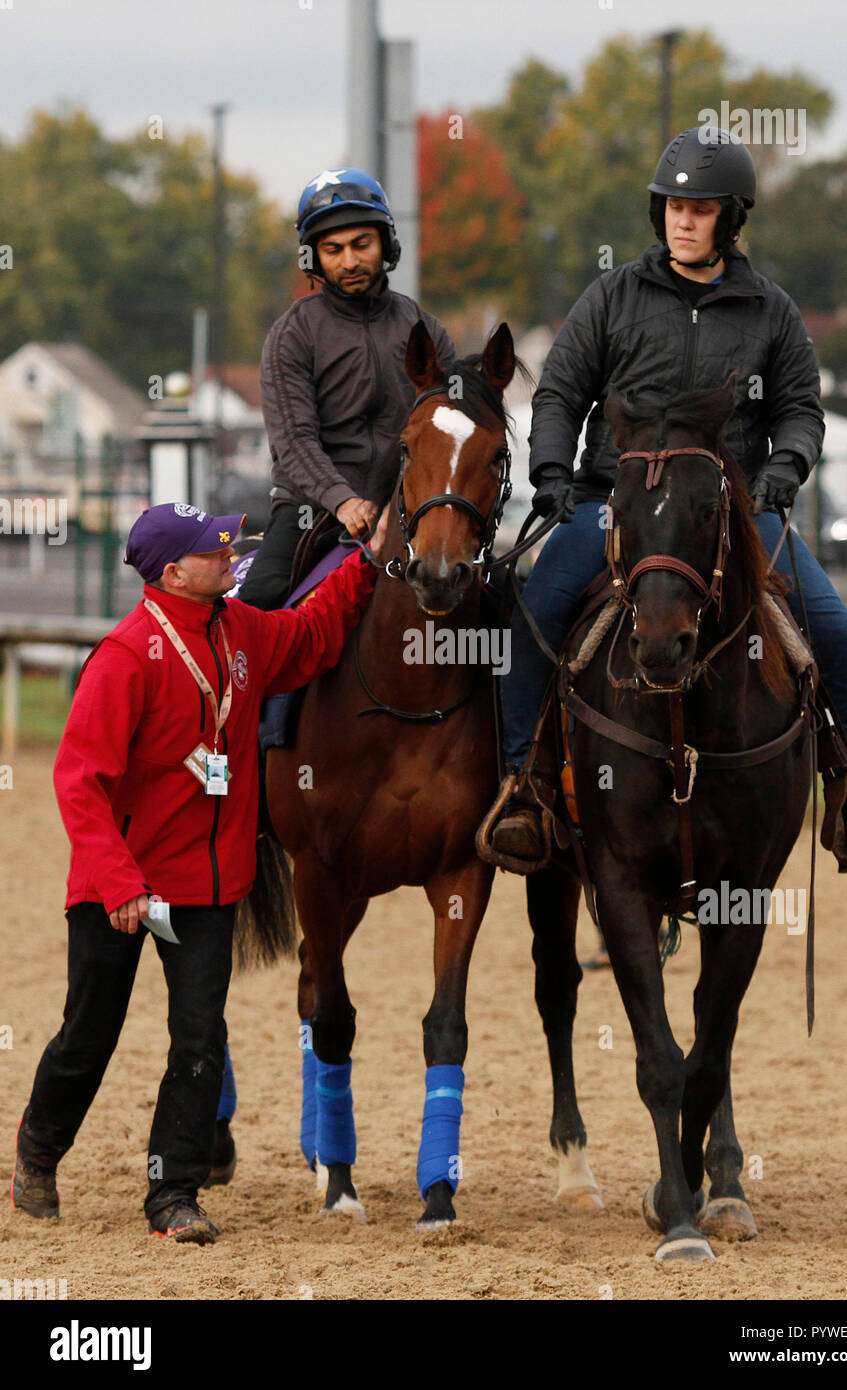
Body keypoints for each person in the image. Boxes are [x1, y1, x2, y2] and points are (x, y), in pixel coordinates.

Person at [487, 126, 847, 870]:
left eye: (700, 209)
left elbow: (801, 409)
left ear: (730, 220)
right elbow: (559, 393)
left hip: (733, 514)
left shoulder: (771, 311)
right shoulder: (610, 297)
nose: (683, 219)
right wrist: (551, 472)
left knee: (834, 635)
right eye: (673, 206)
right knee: (533, 620)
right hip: (613, 504)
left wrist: (785, 470)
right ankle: (526, 785)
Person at [11, 499, 386, 1243]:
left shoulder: (240, 628)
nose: (232, 555)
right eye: (217, 550)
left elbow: (310, 636)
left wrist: (366, 565)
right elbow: (78, 782)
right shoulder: (124, 656)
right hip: (119, 886)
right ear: (174, 572)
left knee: (199, 1043)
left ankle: (172, 1195)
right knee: (89, 1035)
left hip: (210, 885)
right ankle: (37, 1153)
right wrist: (120, 884)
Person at [239, 166, 455, 611]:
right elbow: (294, 442)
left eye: (362, 244)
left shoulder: (425, 329)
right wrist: (345, 502)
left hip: (412, 505)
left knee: (500, 601)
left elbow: (451, 426)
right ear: (313, 259)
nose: (350, 261)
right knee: (256, 607)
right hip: (312, 511)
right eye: (332, 250)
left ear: (386, 244)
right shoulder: (292, 334)